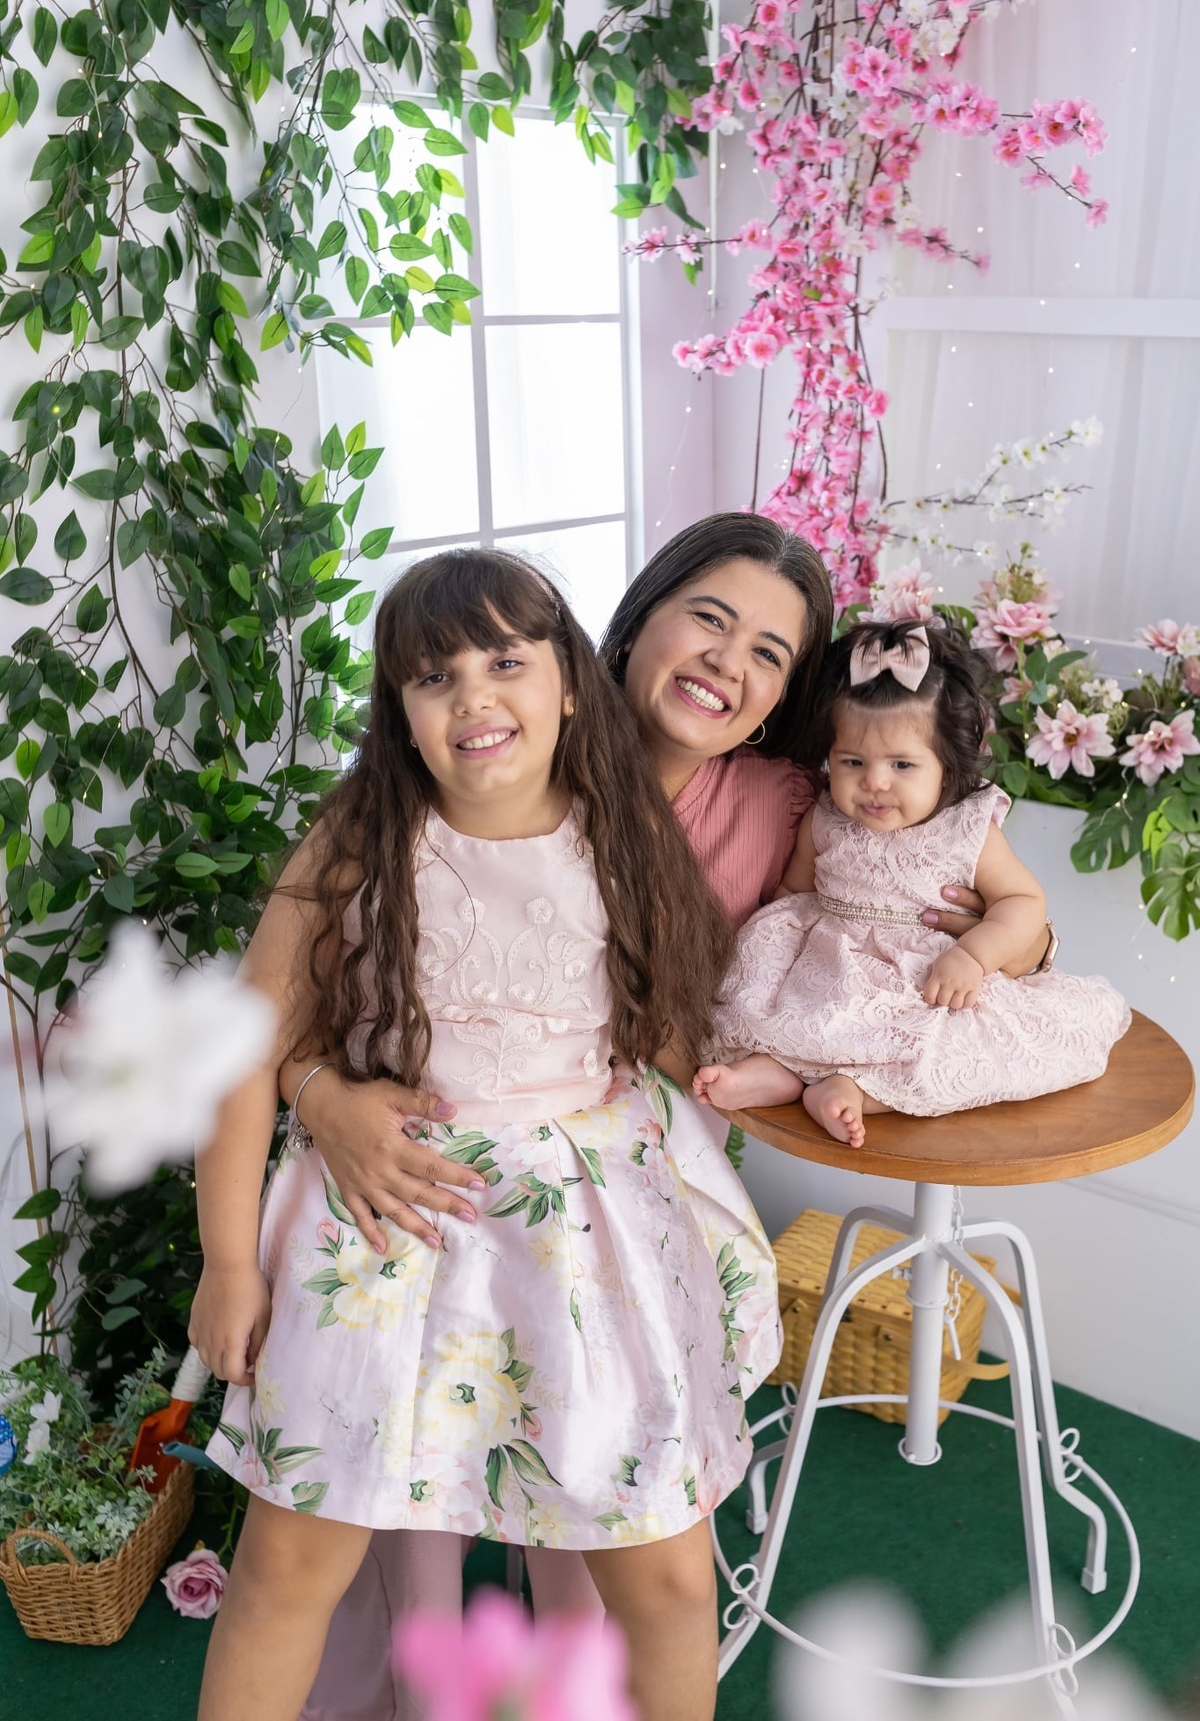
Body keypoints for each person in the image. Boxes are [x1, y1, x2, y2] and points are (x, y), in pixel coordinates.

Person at [288, 515, 1053, 1721]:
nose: (727, 663)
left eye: (769, 653)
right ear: (637, 618)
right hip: (433, 1152)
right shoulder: (482, 748)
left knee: (599, 1487)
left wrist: (1001, 933)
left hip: (621, 1175)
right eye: (709, 617)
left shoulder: (797, 804)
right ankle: (420, 1675)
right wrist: (316, 1094)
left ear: (782, 700)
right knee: (405, 1488)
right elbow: (327, 987)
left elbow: (951, 898)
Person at [189, 550, 780, 1721]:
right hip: (385, 1229)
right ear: (400, 716)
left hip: (586, 1239)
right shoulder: (360, 840)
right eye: (432, 676)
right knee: (291, 1562)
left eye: (505, 661)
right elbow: (244, 1052)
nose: (473, 698)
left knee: (660, 1568)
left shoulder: (625, 839)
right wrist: (226, 1264)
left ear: (569, 682)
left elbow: (665, 1040)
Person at [695, 619, 1130, 1145]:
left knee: (940, 1048)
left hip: (927, 977)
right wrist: (768, 950)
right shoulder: (826, 814)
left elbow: (1022, 899)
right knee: (782, 1021)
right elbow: (795, 891)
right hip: (833, 966)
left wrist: (974, 956)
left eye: (902, 764)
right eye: (852, 761)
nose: (874, 782)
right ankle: (771, 1074)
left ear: (947, 766)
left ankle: (851, 1089)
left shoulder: (968, 828)